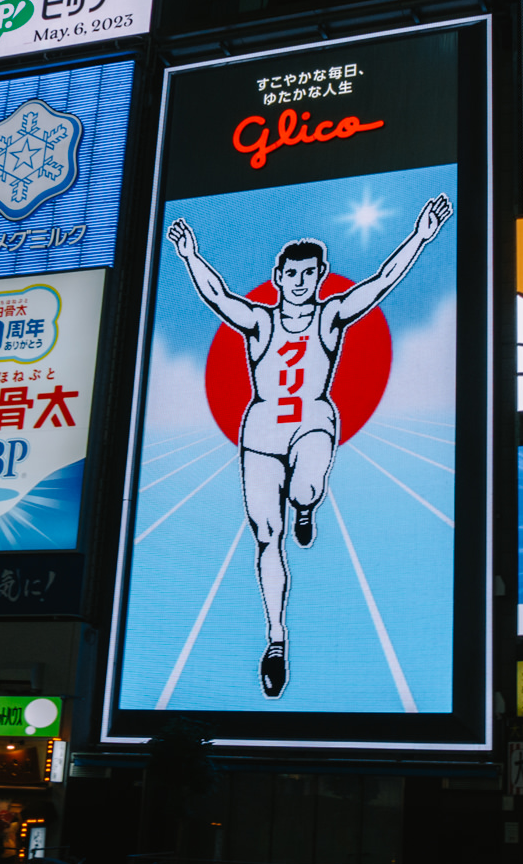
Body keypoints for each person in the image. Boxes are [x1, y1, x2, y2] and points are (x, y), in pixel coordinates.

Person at [166, 193, 452, 698]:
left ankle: (306, 506)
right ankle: (276, 638)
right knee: (265, 536)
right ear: (279, 278)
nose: (301, 283)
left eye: (310, 275)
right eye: (292, 275)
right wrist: (190, 256)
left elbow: (382, 283)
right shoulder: (260, 322)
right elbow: (218, 297)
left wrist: (421, 236)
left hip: (314, 419)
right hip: (261, 431)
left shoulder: (331, 315)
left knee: (306, 486)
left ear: (319, 277)